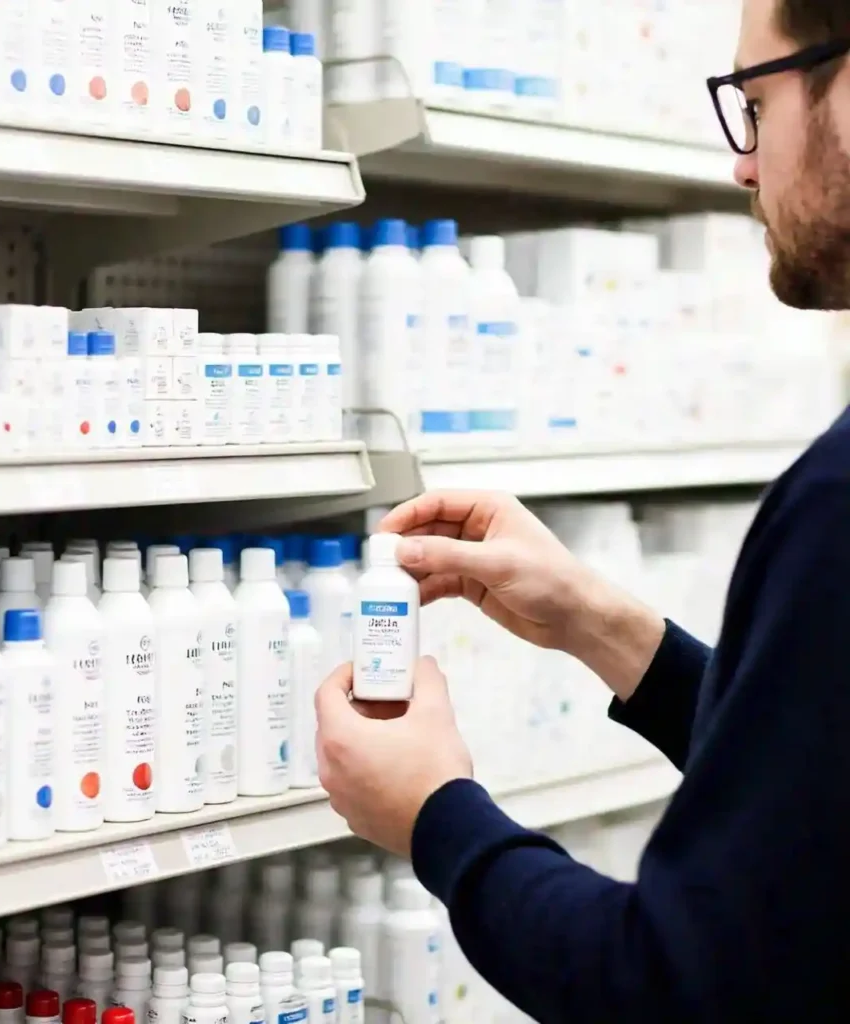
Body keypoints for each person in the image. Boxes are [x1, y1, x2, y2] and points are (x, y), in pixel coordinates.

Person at [314, 1, 850, 1020]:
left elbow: (673, 986)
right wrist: (604, 627)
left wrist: (436, 813)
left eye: (756, 100)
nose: (741, 164)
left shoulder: (836, 500)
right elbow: (812, 789)